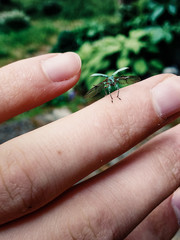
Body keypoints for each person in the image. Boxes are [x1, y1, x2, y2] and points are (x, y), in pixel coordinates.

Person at [0, 52, 180, 239]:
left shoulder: (117, 80)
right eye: (110, 84)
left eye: (112, 84)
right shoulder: (105, 83)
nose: (111, 85)